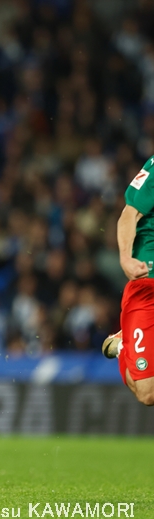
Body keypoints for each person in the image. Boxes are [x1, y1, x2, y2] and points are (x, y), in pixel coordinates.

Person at [102, 156, 154, 406]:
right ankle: (125, 345)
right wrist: (125, 258)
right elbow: (129, 214)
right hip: (148, 286)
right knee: (148, 394)